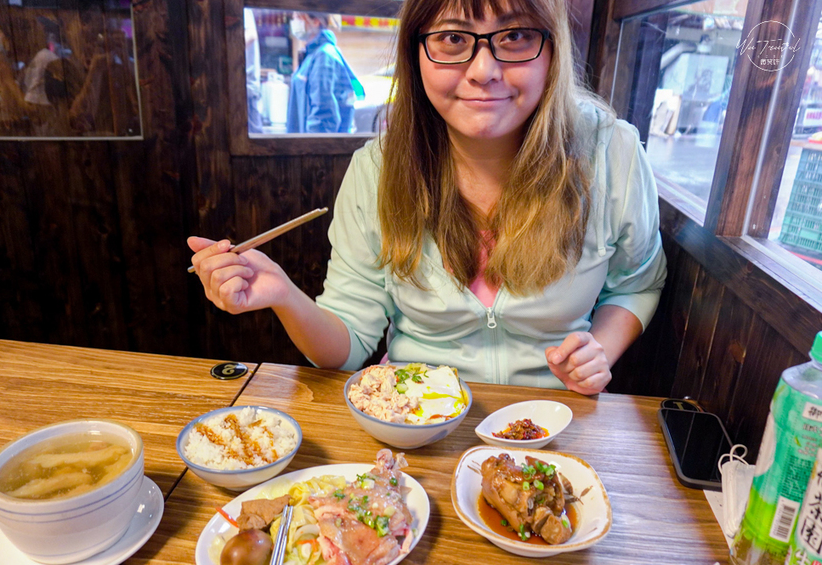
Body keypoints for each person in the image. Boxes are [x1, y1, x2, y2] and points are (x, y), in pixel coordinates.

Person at [189, 0, 667, 395]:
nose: (484, 70)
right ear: (416, 52)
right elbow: (349, 345)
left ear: (553, 49)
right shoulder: (376, 170)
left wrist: (598, 350)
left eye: (516, 36)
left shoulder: (611, 152)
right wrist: (283, 295)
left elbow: (637, 283)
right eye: (454, 38)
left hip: (554, 420)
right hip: (415, 423)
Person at [285, 12, 363, 133]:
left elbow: (323, 115)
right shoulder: (313, 54)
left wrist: (311, 149)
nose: (294, 22)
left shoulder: (324, 57)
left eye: (297, 17)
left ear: (315, 21)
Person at [244, 7, 264, 134]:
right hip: (245, 90)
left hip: (246, 90)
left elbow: (251, 35)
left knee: (255, 144)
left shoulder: (244, 10)